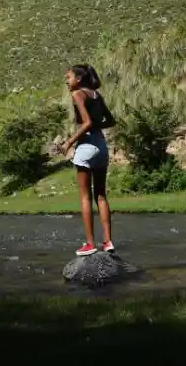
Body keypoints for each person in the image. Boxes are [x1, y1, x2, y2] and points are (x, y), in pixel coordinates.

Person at [60, 64, 116, 256]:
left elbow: (87, 122)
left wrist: (69, 142)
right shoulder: (96, 95)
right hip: (101, 146)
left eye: (68, 77)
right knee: (101, 195)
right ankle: (107, 242)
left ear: (79, 79)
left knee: (85, 197)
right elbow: (110, 121)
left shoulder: (78, 94)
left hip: (86, 146)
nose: (66, 81)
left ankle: (90, 243)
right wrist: (96, 126)